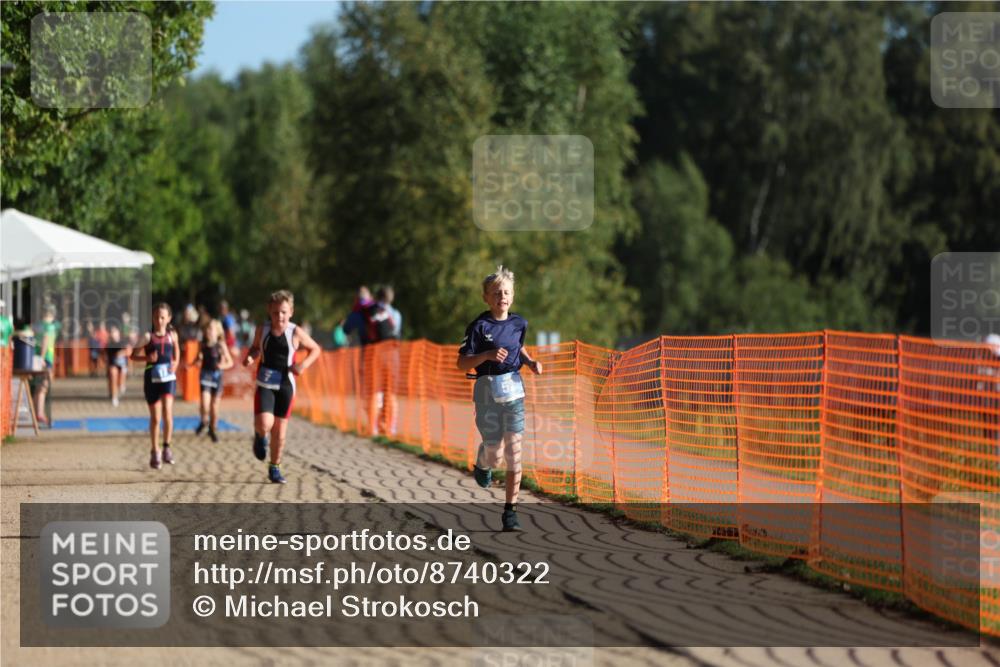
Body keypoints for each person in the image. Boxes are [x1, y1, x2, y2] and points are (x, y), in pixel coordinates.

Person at [456, 266, 542, 532]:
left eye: (506, 292)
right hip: (486, 392)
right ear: (486, 297)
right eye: (496, 293)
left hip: (514, 392)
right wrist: (486, 356)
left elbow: (519, 347)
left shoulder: (520, 324)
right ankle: (483, 459)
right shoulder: (479, 327)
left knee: (514, 454)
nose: (501, 296)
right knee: (495, 457)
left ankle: (510, 513)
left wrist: (529, 362)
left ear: (512, 296)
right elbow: (461, 363)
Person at [243, 290, 321, 484]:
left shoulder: (295, 332)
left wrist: (302, 365)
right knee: (265, 424)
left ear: (291, 312)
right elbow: (255, 347)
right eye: (276, 312)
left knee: (280, 431)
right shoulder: (263, 330)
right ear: (270, 311)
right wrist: (251, 356)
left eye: (284, 312)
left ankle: (275, 467)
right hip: (265, 383)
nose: (280, 316)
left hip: (286, 385)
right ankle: (260, 437)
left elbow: (315, 349)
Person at [131, 303, 179, 470]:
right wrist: (147, 359)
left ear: (169, 319)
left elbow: (177, 354)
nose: (159, 321)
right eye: (157, 317)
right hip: (152, 378)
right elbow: (133, 356)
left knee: (168, 411)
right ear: (153, 318)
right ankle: (155, 450)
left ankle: (166, 447)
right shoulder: (147, 337)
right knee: (156, 418)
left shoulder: (173, 335)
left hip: (168, 378)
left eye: (162, 317)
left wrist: (175, 364)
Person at [194, 319, 234, 442]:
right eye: (207, 329)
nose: (208, 331)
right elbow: (197, 359)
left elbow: (230, 362)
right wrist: (196, 361)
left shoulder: (221, 345)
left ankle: (213, 429)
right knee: (205, 404)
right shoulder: (202, 344)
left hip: (217, 377)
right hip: (205, 376)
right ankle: (203, 421)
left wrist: (221, 366)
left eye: (211, 329)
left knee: (214, 407)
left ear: (217, 332)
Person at [34, 306, 58, 427]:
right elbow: (45, 340)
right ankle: (40, 413)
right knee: (44, 386)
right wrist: (42, 358)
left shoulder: (37, 325)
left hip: (37, 356)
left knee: (39, 387)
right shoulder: (50, 327)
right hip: (46, 358)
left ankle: (38, 413)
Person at [105, 325, 130, 407]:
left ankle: (121, 385)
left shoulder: (123, 342)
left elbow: (129, 351)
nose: (113, 334)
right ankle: (114, 397)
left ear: (118, 333)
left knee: (120, 380)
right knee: (113, 374)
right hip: (113, 364)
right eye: (111, 332)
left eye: (114, 332)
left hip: (123, 366)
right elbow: (106, 357)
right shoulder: (109, 345)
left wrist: (122, 353)